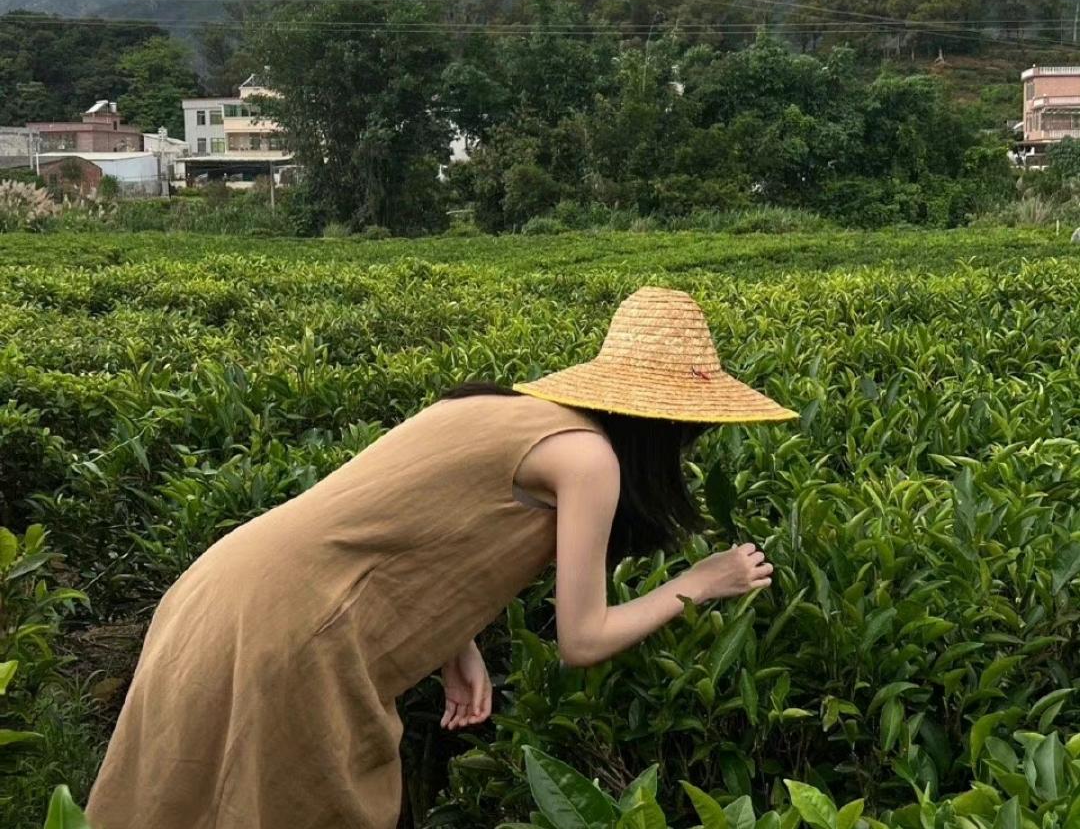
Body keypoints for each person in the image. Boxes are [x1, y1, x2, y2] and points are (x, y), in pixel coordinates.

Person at [85, 285, 797, 829]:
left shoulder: (489, 407)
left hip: (221, 584)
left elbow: (410, 524)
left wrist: (459, 645)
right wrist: (703, 583)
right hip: (298, 627)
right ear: (670, 423)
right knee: (304, 803)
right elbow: (583, 640)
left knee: (179, 788)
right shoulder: (589, 461)